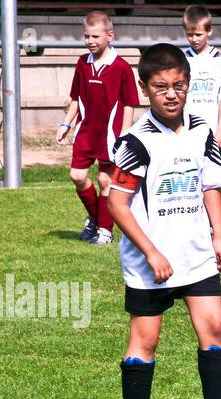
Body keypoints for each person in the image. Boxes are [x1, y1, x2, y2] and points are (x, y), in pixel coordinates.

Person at [107, 43, 221, 399]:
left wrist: (219, 235)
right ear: (145, 89)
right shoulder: (136, 141)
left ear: (188, 85)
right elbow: (117, 203)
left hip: (196, 254)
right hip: (150, 262)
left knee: (215, 329)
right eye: (160, 87)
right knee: (146, 340)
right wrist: (152, 252)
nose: (171, 94)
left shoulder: (202, 129)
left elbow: (209, 186)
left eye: (178, 85)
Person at [57, 10, 139, 245]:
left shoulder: (121, 67)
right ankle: (95, 218)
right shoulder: (82, 63)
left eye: (95, 37)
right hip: (86, 131)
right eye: (86, 37)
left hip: (111, 135)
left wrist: (124, 134)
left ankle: (105, 230)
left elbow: (129, 104)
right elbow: (75, 98)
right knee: (77, 176)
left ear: (109, 36)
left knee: (105, 181)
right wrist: (66, 123)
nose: (90, 42)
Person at [181, 4, 221, 150]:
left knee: (214, 171)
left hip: (213, 131)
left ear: (209, 31)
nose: (194, 39)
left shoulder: (219, 60)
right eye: (190, 35)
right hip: (188, 130)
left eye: (198, 34)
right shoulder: (183, 59)